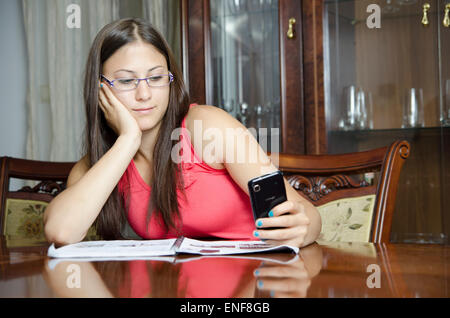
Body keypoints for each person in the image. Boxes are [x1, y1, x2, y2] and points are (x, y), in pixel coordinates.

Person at [43, 18, 321, 248]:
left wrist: (302, 229)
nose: (144, 94)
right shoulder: (103, 162)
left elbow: (307, 214)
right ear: (100, 89)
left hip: (257, 280)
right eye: (127, 81)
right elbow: (61, 232)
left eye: (156, 77)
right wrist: (128, 140)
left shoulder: (208, 127)